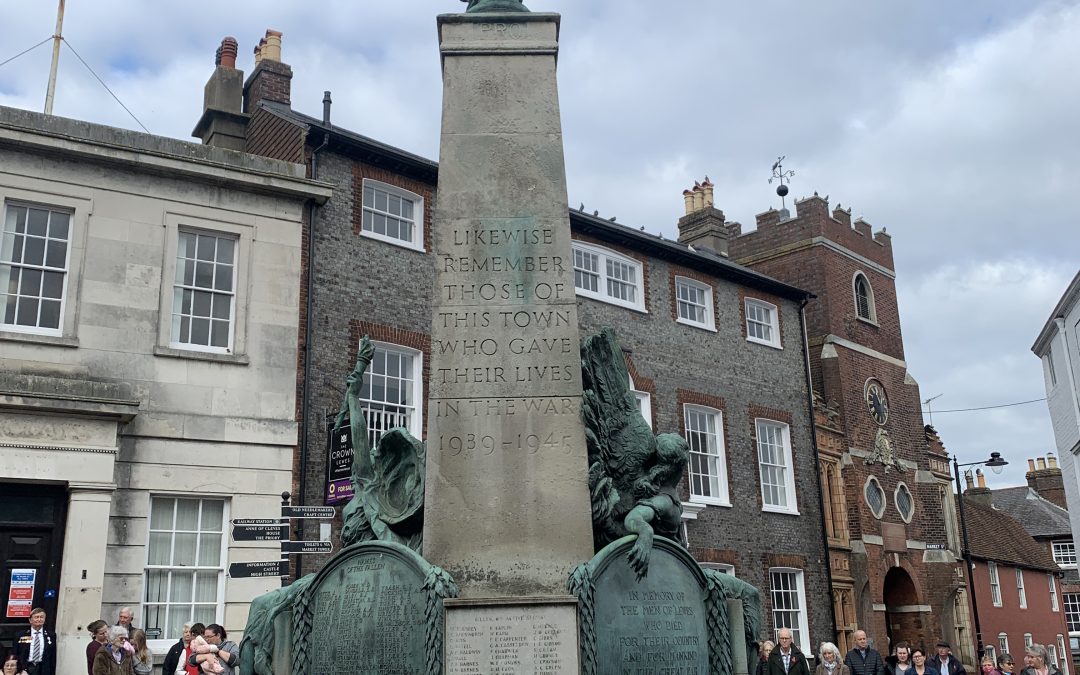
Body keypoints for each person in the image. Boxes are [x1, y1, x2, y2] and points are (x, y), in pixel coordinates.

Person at [14, 608, 55, 675]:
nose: (39, 619)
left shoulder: (51, 635)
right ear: (30, 620)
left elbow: (53, 656)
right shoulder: (21, 635)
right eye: (36, 617)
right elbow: (15, 653)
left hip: (43, 669)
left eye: (41, 617)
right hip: (25, 668)